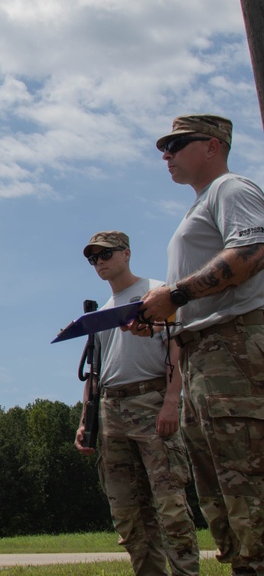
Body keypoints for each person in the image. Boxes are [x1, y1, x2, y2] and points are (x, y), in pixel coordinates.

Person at [136, 114, 264, 576]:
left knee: (247, 478)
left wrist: (176, 295)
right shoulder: (198, 207)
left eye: (175, 144)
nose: (165, 155)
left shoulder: (232, 188)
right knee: (220, 483)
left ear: (212, 146)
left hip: (235, 350)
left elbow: (252, 252)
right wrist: (163, 317)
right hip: (203, 354)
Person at [74, 231, 199, 576]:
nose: (99, 262)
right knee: (127, 513)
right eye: (93, 258)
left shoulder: (156, 293)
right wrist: (86, 420)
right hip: (111, 411)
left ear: (126, 253)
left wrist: (172, 401)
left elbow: (178, 348)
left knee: (170, 504)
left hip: (151, 401)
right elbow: (95, 372)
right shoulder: (101, 313)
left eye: (105, 254)